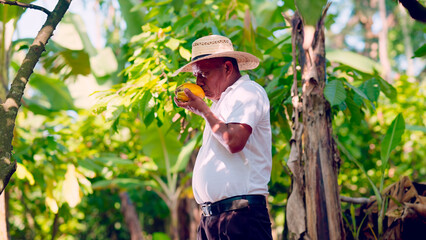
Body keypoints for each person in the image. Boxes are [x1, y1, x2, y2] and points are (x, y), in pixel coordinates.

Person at [173, 35, 272, 240]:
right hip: (212, 219)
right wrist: (204, 112)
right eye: (196, 75)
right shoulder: (219, 103)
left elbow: (234, 141)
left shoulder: (248, 91)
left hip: (240, 216)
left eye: (204, 74)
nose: (198, 82)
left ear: (227, 68)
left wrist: (205, 111)